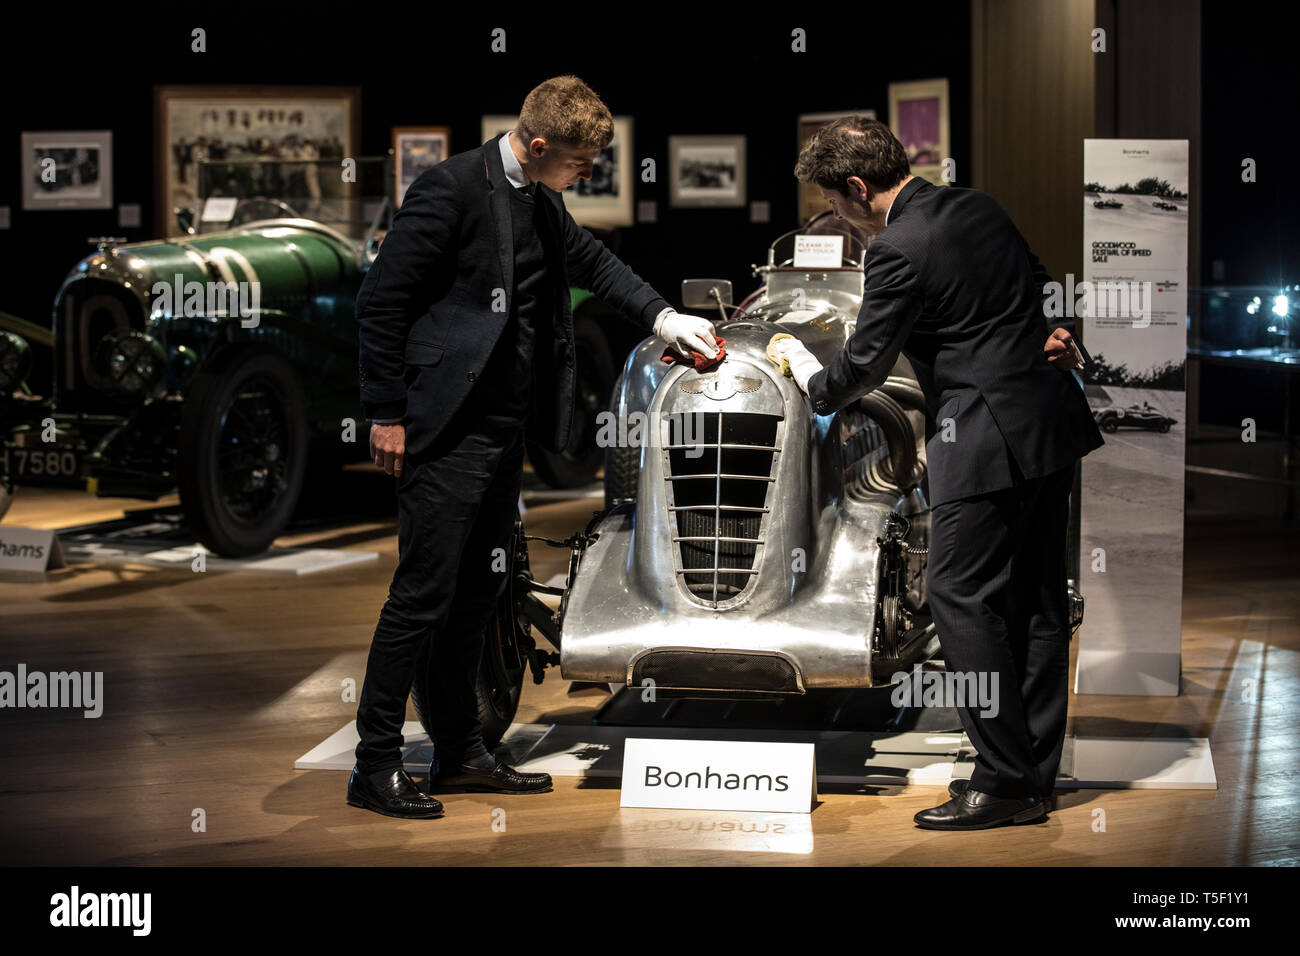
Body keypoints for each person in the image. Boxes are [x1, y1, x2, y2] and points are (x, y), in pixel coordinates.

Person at [347, 76, 719, 819]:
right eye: (580, 163)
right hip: (443, 429)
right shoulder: (450, 189)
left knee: (480, 597)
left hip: (498, 434)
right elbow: (380, 302)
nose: (586, 176)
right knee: (423, 596)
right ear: (539, 145)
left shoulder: (541, 201)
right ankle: (375, 762)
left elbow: (599, 268)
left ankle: (459, 754)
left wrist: (665, 318)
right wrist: (384, 413)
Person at [770, 116, 1104, 831]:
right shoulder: (977, 204)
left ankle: (1002, 780)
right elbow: (1045, 286)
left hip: (986, 438)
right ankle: (1032, 771)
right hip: (1048, 423)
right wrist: (1060, 331)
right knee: (1038, 596)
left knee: (958, 596)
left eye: (834, 204)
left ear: (858, 188)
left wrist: (802, 369)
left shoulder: (896, 248)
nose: (835, 217)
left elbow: (861, 366)